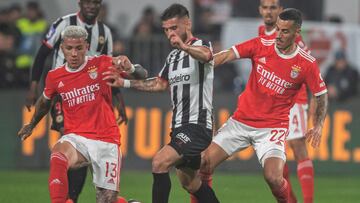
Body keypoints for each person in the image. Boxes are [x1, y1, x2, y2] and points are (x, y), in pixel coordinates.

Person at [200, 8, 328, 202]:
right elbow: (227, 54)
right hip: (241, 122)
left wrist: (318, 125)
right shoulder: (260, 44)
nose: (279, 35)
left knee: (274, 178)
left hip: (272, 128)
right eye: (278, 29)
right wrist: (207, 63)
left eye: (285, 31)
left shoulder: (306, 63)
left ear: (297, 32)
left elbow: (321, 94)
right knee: (204, 163)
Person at [18, 26, 147, 203]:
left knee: (106, 199)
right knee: (58, 154)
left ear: (86, 47)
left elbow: (142, 75)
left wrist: (131, 67)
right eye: (69, 48)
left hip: (106, 139)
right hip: (76, 138)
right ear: (62, 48)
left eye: (78, 48)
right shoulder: (55, 76)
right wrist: (32, 124)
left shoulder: (102, 63)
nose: (73, 53)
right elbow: (44, 102)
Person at [104, 4, 219, 203]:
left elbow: (207, 56)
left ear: (187, 23)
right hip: (179, 127)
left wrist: (184, 46)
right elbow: (159, 84)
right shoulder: (173, 57)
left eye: (174, 28)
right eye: (166, 30)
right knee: (190, 183)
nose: (169, 34)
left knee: (159, 162)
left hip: (197, 126)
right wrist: (124, 82)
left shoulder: (202, 44)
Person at [258, 1, 315, 202]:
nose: (268, 11)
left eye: (273, 7)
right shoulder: (261, 33)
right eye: (265, 7)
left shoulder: (295, 38)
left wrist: (312, 108)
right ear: (260, 10)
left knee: (298, 147)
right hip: (271, 103)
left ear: (280, 11)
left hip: (294, 100)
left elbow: (311, 70)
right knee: (275, 156)